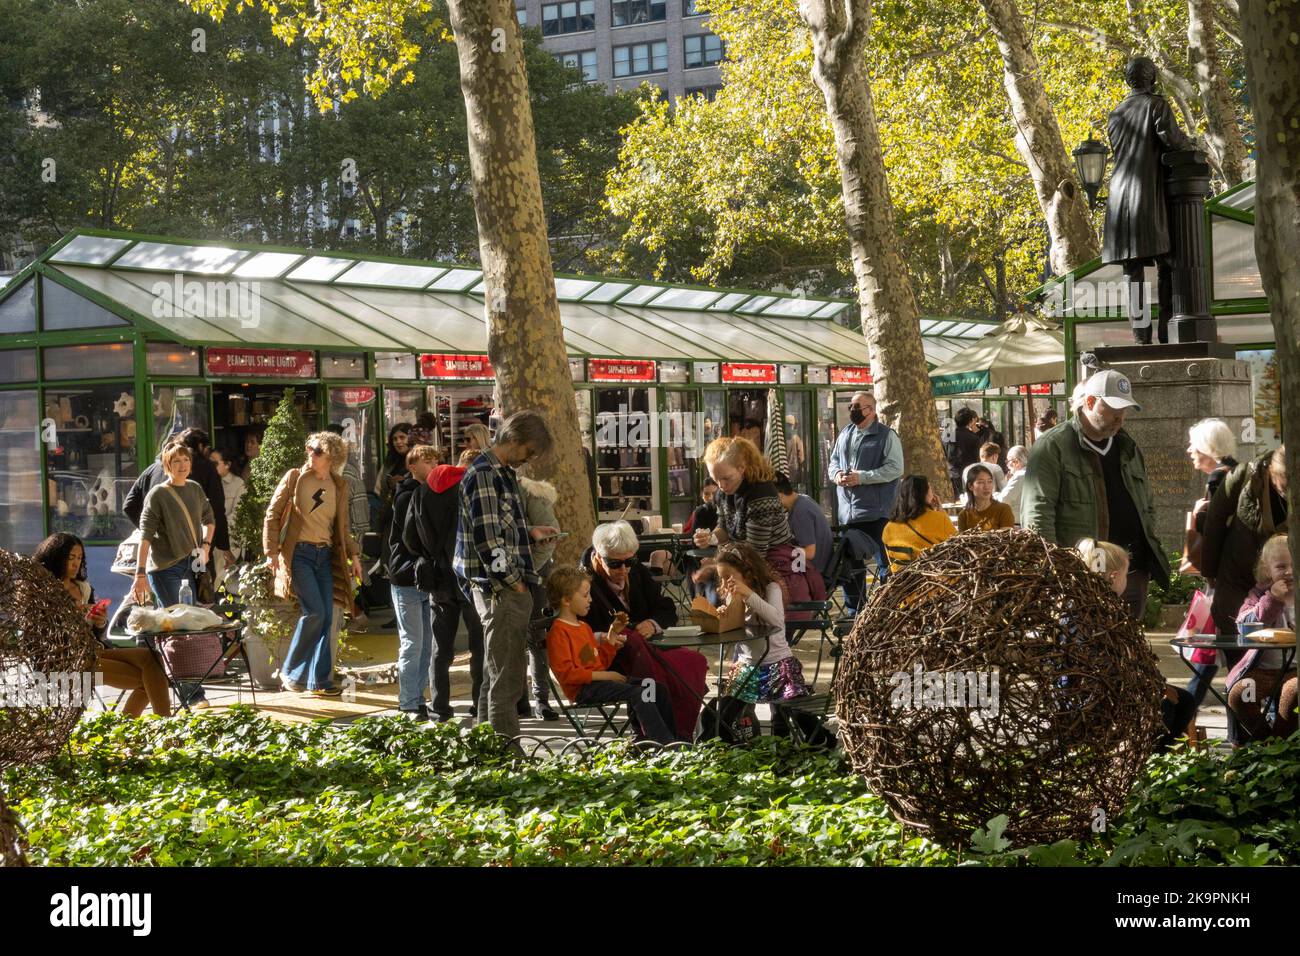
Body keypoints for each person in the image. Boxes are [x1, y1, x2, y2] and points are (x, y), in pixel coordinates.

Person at [1020, 369, 1168, 622]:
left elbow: (1147, 503)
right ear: (1090, 402)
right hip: (1084, 572)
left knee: (1128, 649)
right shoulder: (1053, 446)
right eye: (1112, 409)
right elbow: (1037, 515)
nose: (1120, 417)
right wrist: (1057, 572)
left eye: (1124, 410)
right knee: (1088, 646)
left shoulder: (1127, 446)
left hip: (1132, 571)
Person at [454, 410, 556, 740]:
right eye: (528, 452)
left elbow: (498, 527)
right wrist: (514, 582)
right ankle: (506, 751)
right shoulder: (486, 473)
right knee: (507, 677)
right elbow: (488, 539)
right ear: (513, 440)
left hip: (499, 584)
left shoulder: (501, 472)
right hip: (499, 588)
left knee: (496, 672)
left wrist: (529, 532)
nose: (527, 460)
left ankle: (488, 746)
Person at [580, 520, 709, 738]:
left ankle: (680, 733)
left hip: (648, 650)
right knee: (656, 673)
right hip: (609, 658)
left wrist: (652, 623)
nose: (623, 569)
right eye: (615, 564)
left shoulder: (636, 571)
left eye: (629, 561)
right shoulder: (583, 583)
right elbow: (581, 633)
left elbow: (666, 608)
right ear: (598, 557)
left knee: (694, 662)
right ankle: (660, 735)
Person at [263, 431, 363, 697]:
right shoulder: (295, 477)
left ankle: (319, 680)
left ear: (331, 456)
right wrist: (270, 552)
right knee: (315, 612)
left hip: (325, 555)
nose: (310, 454)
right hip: (300, 554)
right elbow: (272, 515)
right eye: (309, 448)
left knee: (327, 617)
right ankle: (292, 671)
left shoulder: (339, 486)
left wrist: (354, 556)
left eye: (317, 451)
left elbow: (342, 527)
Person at [1075, 538, 1197, 751]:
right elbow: (1105, 667)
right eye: (1126, 575)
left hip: (1106, 687)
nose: (1127, 582)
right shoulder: (1099, 614)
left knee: (1183, 699)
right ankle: (1146, 758)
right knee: (1163, 707)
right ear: (1114, 577)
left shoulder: (1104, 609)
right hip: (1091, 695)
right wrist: (1149, 686)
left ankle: (1155, 758)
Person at [35, 532, 172, 718]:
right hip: (65, 661)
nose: (76, 563)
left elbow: (96, 633)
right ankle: (154, 729)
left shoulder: (83, 588)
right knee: (151, 681)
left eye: (80, 558)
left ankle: (148, 728)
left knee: (152, 658)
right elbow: (39, 633)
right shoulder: (43, 590)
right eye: (71, 558)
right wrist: (73, 614)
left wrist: (99, 622)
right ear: (56, 557)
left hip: (92, 651)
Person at [545, 566, 677, 744]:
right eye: (585, 595)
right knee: (638, 693)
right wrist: (607, 675)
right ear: (567, 600)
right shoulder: (559, 632)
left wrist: (612, 637)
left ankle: (651, 737)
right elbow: (568, 674)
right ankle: (663, 743)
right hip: (583, 689)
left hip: (600, 682)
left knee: (655, 687)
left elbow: (597, 662)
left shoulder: (583, 627)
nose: (590, 599)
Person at [131, 442, 215, 709]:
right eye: (176, 461)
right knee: (179, 628)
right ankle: (193, 694)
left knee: (178, 627)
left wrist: (205, 547)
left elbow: (210, 518)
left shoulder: (195, 489)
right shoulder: (157, 494)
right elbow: (144, 537)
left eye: (185, 460)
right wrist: (140, 574)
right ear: (167, 465)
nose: (182, 465)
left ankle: (155, 680)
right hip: (164, 568)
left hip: (189, 565)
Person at [697, 437, 825, 609]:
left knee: (718, 598)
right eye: (716, 479)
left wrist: (715, 567)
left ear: (742, 468)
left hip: (774, 570)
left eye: (726, 478)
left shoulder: (761, 493)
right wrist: (711, 538)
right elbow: (724, 528)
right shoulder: (723, 494)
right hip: (745, 564)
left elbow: (755, 551)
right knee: (713, 597)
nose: (721, 485)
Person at [405, 448, 484, 722]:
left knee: (440, 650)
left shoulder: (420, 493)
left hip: (438, 579)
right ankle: (480, 704)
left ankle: (440, 707)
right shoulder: (466, 489)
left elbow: (409, 539)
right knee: (479, 645)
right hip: (469, 575)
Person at [1180, 418, 1238, 706]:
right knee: (1218, 652)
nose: (1190, 449)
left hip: (1221, 581)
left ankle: (1183, 712)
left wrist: (1197, 513)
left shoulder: (1217, 478)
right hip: (1233, 577)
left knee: (1211, 651)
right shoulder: (1236, 472)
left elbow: (1214, 533)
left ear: (1207, 447)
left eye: (1194, 444)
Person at [1201, 446, 1288, 637]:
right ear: (1273, 472)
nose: (1289, 491)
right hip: (1238, 576)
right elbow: (1214, 521)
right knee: (1239, 636)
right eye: (1285, 482)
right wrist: (1209, 570)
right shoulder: (1244, 475)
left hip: (1285, 584)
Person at [714, 541, 809, 705]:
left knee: (786, 714)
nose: (724, 585)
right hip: (745, 667)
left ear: (748, 573)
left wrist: (749, 594)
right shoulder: (732, 595)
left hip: (778, 666)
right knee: (730, 710)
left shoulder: (771, 589)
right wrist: (724, 618)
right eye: (721, 579)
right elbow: (733, 635)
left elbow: (777, 620)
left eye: (728, 577)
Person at [827, 390, 903, 586]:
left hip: (876, 514)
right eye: (850, 406)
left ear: (870, 410)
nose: (852, 410)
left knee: (885, 565)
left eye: (856, 407)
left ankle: (887, 609)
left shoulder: (887, 435)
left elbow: (896, 469)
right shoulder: (845, 433)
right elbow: (833, 462)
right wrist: (837, 475)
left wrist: (862, 478)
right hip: (847, 514)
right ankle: (854, 613)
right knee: (849, 568)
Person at [1226, 534, 1297, 742]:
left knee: (1293, 692)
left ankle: (1281, 744)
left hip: (1295, 671)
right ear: (1267, 570)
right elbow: (1245, 629)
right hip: (1264, 671)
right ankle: (1265, 745)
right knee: (1241, 694)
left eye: (1294, 564)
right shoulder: (1258, 595)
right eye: (1281, 566)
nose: (1289, 572)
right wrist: (1272, 600)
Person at [387, 445, 440, 720]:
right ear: (412, 466)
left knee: (425, 643)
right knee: (413, 642)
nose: (432, 464)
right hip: (407, 576)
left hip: (426, 578)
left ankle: (418, 697)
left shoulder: (432, 492)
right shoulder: (407, 495)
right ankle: (408, 701)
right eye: (426, 460)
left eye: (435, 460)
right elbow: (411, 538)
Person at [124, 428, 228, 561]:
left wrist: (154, 533)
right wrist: (223, 546)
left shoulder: (152, 469)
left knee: (164, 580)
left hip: (159, 555)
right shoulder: (205, 469)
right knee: (199, 579)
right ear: (201, 446)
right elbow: (217, 510)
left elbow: (129, 506)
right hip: (194, 550)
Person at [518, 473, 561, 721]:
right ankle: (521, 699)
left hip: (532, 574)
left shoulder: (532, 492)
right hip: (514, 574)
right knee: (516, 640)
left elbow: (549, 537)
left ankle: (540, 699)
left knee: (535, 637)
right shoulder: (498, 487)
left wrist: (530, 569)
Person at [882, 475, 957, 572]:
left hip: (902, 583)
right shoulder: (939, 519)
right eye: (930, 489)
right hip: (934, 582)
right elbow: (957, 544)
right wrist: (941, 512)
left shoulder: (888, 528)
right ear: (924, 494)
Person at [775, 472, 833, 580]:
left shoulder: (800, 512)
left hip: (814, 571)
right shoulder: (803, 499)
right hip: (820, 565)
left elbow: (810, 553)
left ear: (779, 495)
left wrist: (784, 551)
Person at [210, 449, 245, 570]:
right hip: (210, 539)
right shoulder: (208, 483)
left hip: (229, 540)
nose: (211, 467)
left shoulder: (238, 484)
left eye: (215, 463)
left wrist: (216, 528)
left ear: (227, 465)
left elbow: (237, 515)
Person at [958, 465, 1016, 533]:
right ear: (970, 486)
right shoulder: (964, 515)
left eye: (989, 481)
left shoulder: (1004, 509)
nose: (986, 487)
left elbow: (1006, 538)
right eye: (981, 482)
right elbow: (961, 541)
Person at [944, 407, 983, 498]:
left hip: (951, 474)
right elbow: (976, 459)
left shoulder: (948, 436)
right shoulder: (974, 438)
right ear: (970, 421)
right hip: (969, 475)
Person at [996, 445, 1029, 522]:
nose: (1007, 465)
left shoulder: (1020, 475)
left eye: (1008, 461)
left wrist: (994, 495)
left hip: (1017, 521)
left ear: (1016, 462)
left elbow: (1003, 500)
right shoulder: (1030, 472)